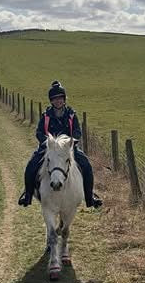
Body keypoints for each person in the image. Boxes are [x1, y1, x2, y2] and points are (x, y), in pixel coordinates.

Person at [18, 80, 102, 209]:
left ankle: (90, 197)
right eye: (55, 99)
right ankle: (27, 195)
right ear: (51, 101)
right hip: (49, 148)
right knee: (31, 165)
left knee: (86, 165)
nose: (58, 101)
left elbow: (77, 131)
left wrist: (71, 141)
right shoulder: (46, 115)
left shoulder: (71, 115)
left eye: (61, 98)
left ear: (64, 99)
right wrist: (48, 143)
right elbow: (39, 132)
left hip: (68, 148)